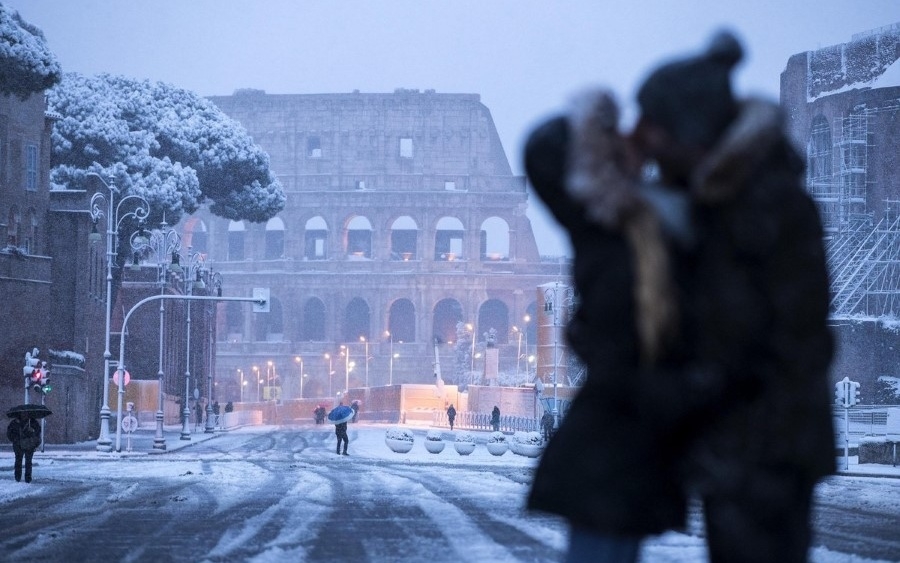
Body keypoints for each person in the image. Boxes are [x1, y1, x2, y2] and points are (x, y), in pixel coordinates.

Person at [629, 31, 835, 563]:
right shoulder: (713, 201)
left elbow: (796, 337)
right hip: (738, 440)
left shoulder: (765, 207)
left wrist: (699, 378)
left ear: (691, 128)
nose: (642, 140)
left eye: (653, 126)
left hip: (768, 445)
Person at [524, 82, 694, 561]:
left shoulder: (637, 222)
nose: (632, 138)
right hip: (618, 432)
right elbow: (542, 149)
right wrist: (592, 132)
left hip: (628, 433)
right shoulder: (608, 221)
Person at [7, 412, 41, 483]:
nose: (24, 415)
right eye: (23, 414)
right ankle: (18, 478)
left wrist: (32, 432)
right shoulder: (15, 423)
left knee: (27, 462)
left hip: (29, 444)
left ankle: (26, 478)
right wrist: (16, 439)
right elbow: (9, 433)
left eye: (26, 414)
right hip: (19, 445)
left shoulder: (33, 422)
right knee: (19, 461)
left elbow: (38, 433)